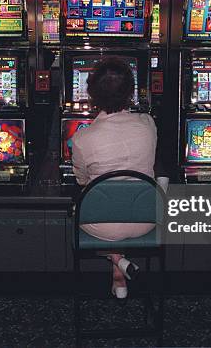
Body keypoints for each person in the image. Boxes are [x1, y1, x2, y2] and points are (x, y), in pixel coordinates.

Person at [71, 57, 157, 299]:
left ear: (90, 94)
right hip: (146, 219)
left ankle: (116, 258)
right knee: (117, 203)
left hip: (101, 225)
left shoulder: (82, 139)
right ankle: (118, 266)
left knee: (94, 204)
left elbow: (81, 181)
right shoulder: (148, 124)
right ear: (131, 92)